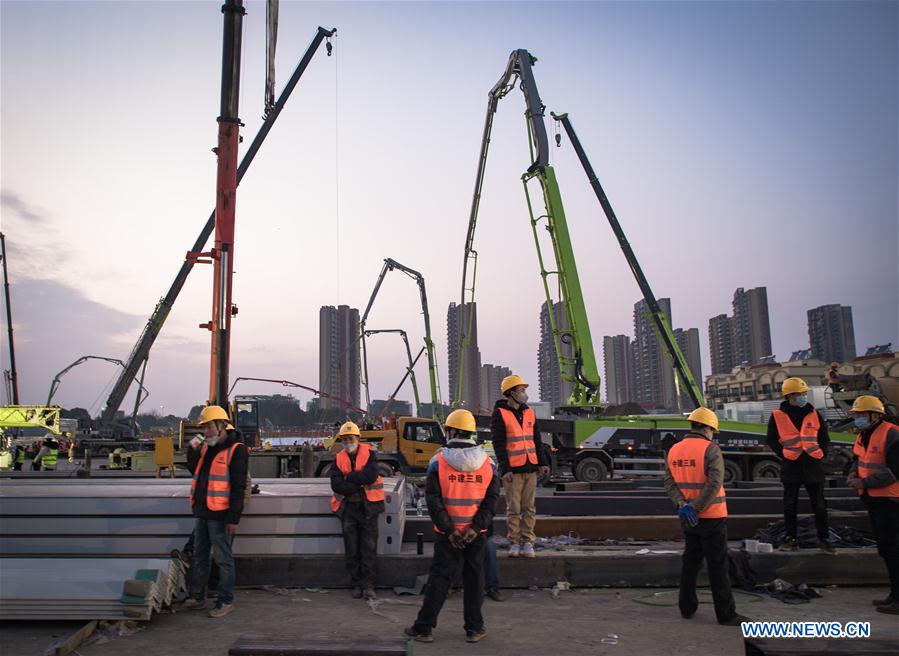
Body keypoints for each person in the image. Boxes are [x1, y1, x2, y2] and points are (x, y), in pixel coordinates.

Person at [405, 409, 500, 644]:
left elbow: (433, 501)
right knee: (474, 580)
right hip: (475, 534)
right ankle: (474, 629)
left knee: (439, 579)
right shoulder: (488, 463)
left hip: (448, 535)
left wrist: (449, 530)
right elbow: (491, 502)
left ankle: (424, 628)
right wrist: (475, 528)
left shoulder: (438, 461)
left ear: (452, 431)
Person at [664, 407, 748, 626]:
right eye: (712, 431)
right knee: (718, 566)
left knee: (690, 564)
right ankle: (726, 615)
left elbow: (669, 482)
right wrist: (697, 507)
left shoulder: (674, 450)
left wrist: (683, 505)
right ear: (707, 428)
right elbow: (714, 483)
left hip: (688, 518)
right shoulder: (711, 449)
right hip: (712, 517)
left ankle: (686, 607)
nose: (712, 434)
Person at [180, 405, 249, 618]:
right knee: (200, 556)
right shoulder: (207, 447)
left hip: (221, 515)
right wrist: (193, 446)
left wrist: (233, 518)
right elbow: (193, 468)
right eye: (203, 428)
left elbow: (238, 487)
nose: (205, 432)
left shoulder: (236, 450)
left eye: (208, 427)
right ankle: (197, 597)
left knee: (223, 559)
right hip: (203, 511)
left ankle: (225, 601)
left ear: (221, 426)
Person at [765, 377, 834, 553]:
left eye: (804, 393)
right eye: (799, 394)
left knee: (819, 504)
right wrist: (783, 453)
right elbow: (771, 439)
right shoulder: (777, 416)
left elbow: (824, 437)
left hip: (812, 464)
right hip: (791, 464)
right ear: (789, 395)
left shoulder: (814, 414)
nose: (803, 397)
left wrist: (822, 453)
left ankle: (824, 539)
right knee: (790, 505)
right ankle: (791, 539)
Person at [847, 395, 899, 615]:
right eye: (857, 414)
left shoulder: (892, 434)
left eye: (861, 414)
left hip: (890, 500)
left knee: (893, 549)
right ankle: (894, 595)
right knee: (886, 549)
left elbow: (894, 470)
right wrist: (853, 474)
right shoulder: (863, 435)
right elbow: (858, 460)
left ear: (875, 415)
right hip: (874, 499)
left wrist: (865, 482)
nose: (858, 418)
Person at [490, 374, 549, 558]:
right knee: (514, 509)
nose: (524, 394)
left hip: (530, 467)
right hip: (513, 470)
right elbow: (498, 444)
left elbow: (536, 440)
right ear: (511, 393)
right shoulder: (500, 413)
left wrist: (543, 462)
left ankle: (528, 541)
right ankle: (514, 542)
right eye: (521, 390)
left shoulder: (529, 412)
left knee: (529, 508)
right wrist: (505, 468)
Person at [330, 421, 385, 601]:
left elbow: (371, 475)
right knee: (352, 549)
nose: (348, 442)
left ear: (358, 438)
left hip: (369, 508)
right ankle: (356, 584)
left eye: (351, 438)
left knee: (368, 548)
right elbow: (336, 485)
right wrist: (358, 483)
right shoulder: (338, 458)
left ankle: (368, 586)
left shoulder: (370, 454)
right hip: (349, 509)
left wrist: (349, 478)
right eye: (345, 439)